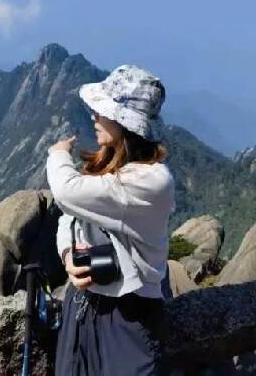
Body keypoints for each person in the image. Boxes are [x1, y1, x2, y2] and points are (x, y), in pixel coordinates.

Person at [46, 64, 176, 376]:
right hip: (83, 305)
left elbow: (66, 193)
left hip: (128, 318)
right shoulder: (106, 166)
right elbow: (70, 214)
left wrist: (58, 154)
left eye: (101, 111)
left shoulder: (151, 181)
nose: (94, 117)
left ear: (124, 122)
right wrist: (68, 258)